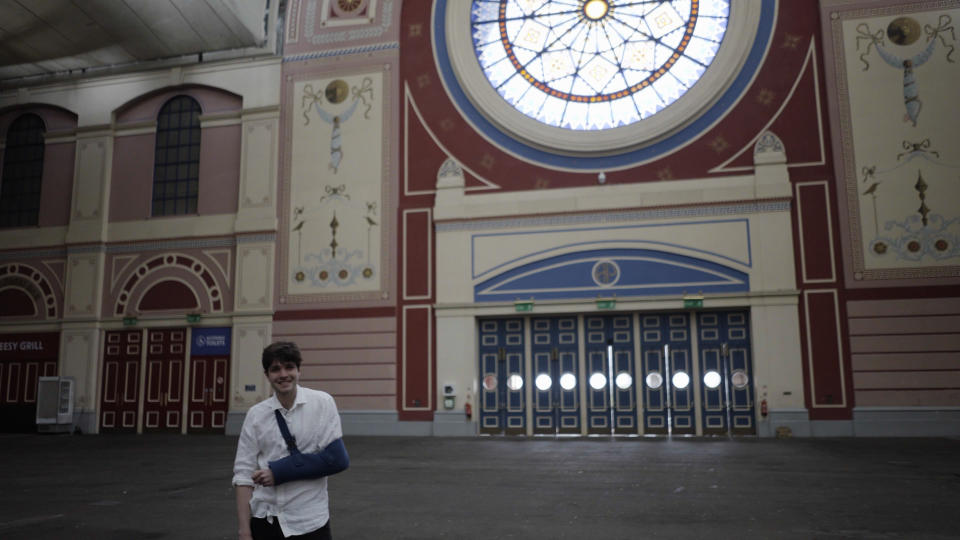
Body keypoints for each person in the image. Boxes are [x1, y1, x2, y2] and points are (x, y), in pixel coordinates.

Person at [233, 341, 348, 539]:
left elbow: (337, 460)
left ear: (299, 370)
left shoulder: (322, 403)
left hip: (309, 521)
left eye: (289, 367)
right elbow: (243, 474)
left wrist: (278, 472)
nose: (283, 374)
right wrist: (244, 530)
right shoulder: (256, 415)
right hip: (266, 518)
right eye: (275, 369)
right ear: (267, 375)